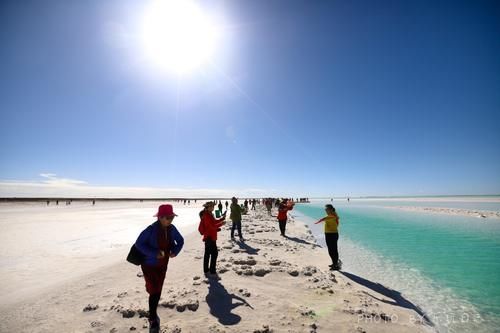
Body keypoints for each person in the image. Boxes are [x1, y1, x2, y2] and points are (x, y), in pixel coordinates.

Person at [134, 204, 184, 333]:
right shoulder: (150, 229)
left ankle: (153, 310)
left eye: (172, 217)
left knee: (158, 289)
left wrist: (175, 250)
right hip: (149, 264)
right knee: (153, 290)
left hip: (163, 265)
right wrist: (154, 253)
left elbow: (181, 240)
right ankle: (152, 318)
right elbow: (139, 244)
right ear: (160, 217)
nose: (170, 220)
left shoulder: (172, 229)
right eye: (168, 218)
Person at [199, 201, 226, 276]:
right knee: (214, 253)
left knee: (207, 253)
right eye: (211, 206)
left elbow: (214, 222)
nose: (212, 207)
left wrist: (221, 219)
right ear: (207, 207)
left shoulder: (209, 214)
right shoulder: (206, 215)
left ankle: (206, 270)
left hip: (210, 236)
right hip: (209, 237)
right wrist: (221, 224)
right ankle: (212, 270)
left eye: (213, 206)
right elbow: (212, 226)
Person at [314, 204, 341, 270]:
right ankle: (334, 263)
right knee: (331, 250)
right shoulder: (332, 216)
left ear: (330, 210)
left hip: (332, 235)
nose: (325, 211)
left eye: (326, 209)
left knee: (333, 250)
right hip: (330, 234)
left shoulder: (332, 216)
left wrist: (317, 222)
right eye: (325, 210)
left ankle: (336, 265)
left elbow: (323, 219)